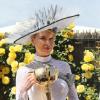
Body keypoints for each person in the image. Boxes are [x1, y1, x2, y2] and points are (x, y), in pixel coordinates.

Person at [14, 6, 79, 100]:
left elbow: (74, 98)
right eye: (42, 38)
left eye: (51, 38)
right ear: (33, 39)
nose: (48, 43)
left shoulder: (64, 66)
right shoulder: (24, 71)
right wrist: (23, 90)